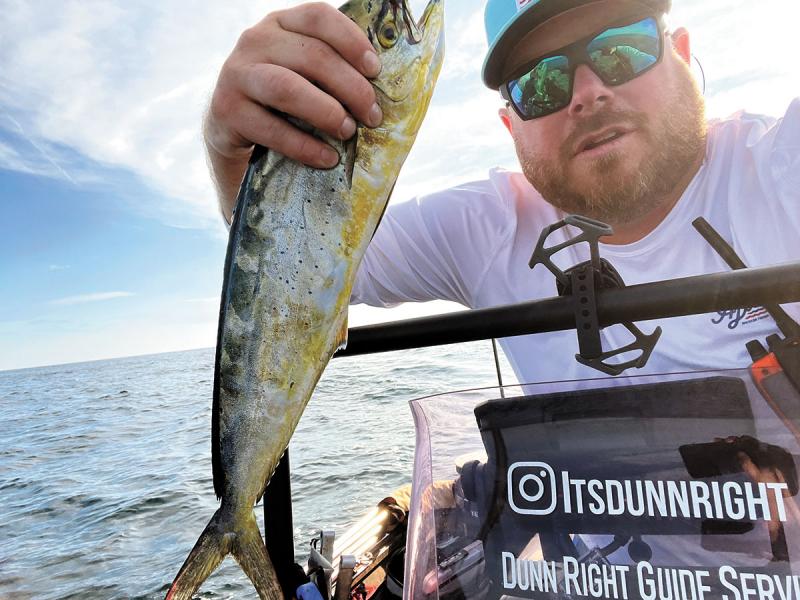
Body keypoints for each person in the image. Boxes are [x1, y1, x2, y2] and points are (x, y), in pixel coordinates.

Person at [204, 0, 799, 385]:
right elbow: (299, 271)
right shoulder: (487, 226)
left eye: (623, 49)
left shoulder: (779, 166)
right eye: (542, 82)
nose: (587, 92)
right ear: (512, 127)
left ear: (684, 55)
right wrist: (232, 152)